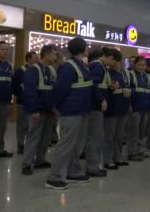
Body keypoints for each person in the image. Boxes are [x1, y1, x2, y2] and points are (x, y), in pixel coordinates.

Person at [45, 37, 93, 190]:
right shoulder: (68, 67)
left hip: (82, 110)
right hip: (71, 112)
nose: (88, 49)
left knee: (76, 145)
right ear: (83, 49)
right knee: (66, 145)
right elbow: (59, 90)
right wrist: (55, 105)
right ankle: (54, 177)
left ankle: (73, 171)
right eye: (86, 46)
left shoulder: (82, 65)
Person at [21, 45, 57, 176]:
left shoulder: (52, 70)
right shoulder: (33, 70)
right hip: (37, 110)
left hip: (49, 110)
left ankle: (40, 160)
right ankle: (27, 164)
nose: (55, 56)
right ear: (46, 54)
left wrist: (55, 107)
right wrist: (33, 110)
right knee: (33, 137)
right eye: (54, 54)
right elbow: (29, 92)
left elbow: (54, 90)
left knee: (46, 138)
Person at [86, 47, 117, 177]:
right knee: (95, 138)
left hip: (97, 107)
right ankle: (92, 167)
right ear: (108, 57)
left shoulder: (102, 67)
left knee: (98, 137)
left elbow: (100, 85)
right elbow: (94, 84)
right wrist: (102, 99)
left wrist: (110, 88)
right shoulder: (97, 66)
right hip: (94, 107)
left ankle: (95, 164)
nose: (113, 63)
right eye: (113, 60)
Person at [103, 56, 130, 169]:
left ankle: (117, 157)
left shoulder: (123, 74)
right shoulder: (108, 74)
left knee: (119, 136)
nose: (120, 63)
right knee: (109, 136)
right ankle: (107, 159)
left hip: (122, 108)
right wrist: (111, 89)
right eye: (119, 61)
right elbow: (104, 91)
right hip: (111, 109)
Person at [13, 51, 38, 154]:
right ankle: (20, 144)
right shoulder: (20, 71)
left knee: (32, 126)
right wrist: (19, 96)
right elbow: (15, 86)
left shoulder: (37, 70)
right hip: (22, 102)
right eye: (34, 58)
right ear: (28, 59)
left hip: (33, 103)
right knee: (22, 125)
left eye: (37, 58)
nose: (37, 60)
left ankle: (30, 144)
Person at [128, 56, 150, 161]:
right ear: (135, 65)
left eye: (143, 65)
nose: (142, 67)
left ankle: (139, 150)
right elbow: (128, 91)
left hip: (145, 108)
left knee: (142, 132)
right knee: (134, 132)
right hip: (135, 108)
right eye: (139, 65)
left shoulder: (148, 77)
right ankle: (132, 153)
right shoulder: (130, 75)